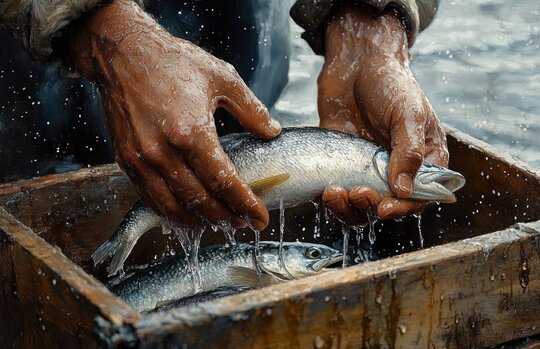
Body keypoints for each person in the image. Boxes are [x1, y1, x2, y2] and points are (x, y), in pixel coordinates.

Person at [0, 0, 447, 231]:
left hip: (242, 43)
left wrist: (369, 21)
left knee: (230, 178)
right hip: (29, 82)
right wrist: (98, 30)